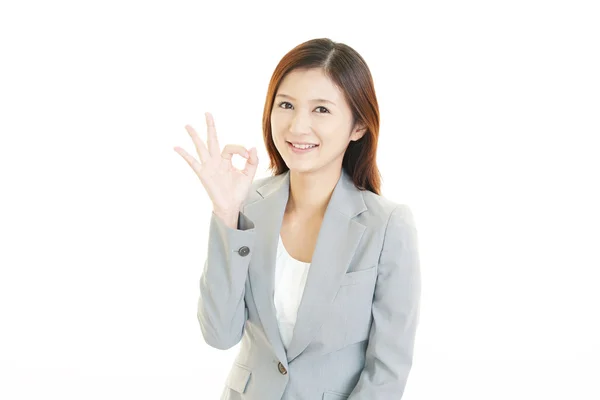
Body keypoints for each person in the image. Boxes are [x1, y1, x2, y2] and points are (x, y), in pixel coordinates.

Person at [174, 38, 421, 400]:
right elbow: (218, 334)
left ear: (358, 127)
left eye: (321, 110)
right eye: (286, 105)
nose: (297, 126)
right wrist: (227, 216)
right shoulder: (248, 205)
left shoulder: (387, 226)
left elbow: (387, 371)